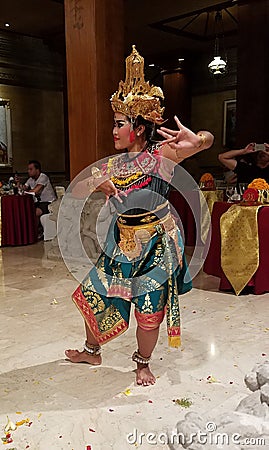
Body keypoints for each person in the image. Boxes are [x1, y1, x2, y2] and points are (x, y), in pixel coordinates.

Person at [65, 46, 214, 386]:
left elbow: (206, 141)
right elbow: (75, 191)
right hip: (120, 243)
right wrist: (95, 182)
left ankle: (142, 362)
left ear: (140, 127)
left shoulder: (162, 154)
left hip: (155, 246)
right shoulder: (112, 164)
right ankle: (92, 349)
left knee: (149, 308)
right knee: (96, 292)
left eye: (119, 124)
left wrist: (201, 139)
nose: (113, 131)